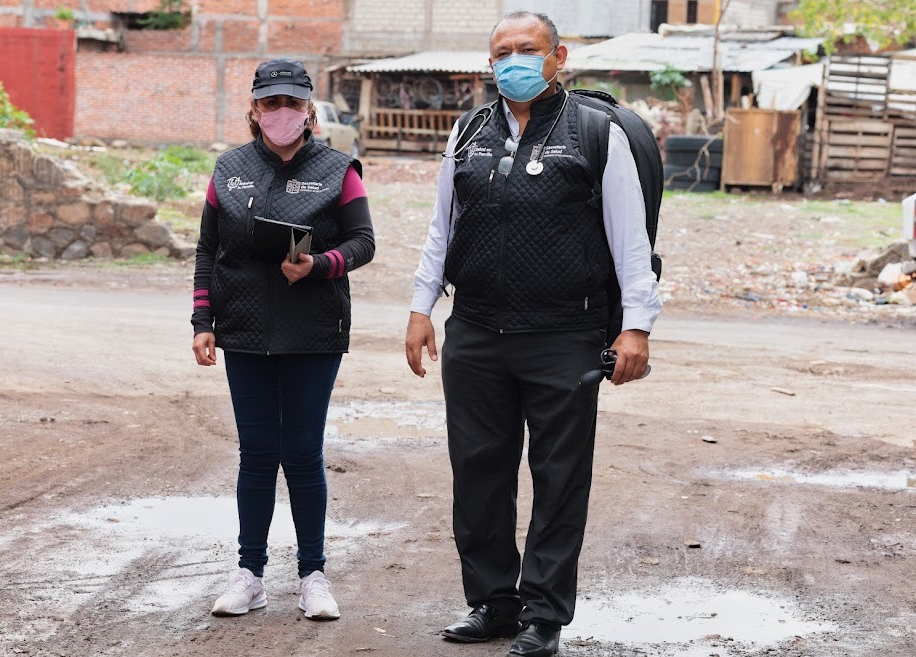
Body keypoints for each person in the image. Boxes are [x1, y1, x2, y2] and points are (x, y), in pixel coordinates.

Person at [404, 11, 661, 657]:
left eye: (527, 49)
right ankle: (493, 603)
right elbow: (442, 225)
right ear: (488, 62)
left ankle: (543, 615)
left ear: (558, 56)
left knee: (559, 477)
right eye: (502, 52)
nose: (513, 60)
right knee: (478, 472)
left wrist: (636, 326)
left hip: (563, 333)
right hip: (475, 331)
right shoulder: (468, 131)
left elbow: (630, 240)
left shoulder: (596, 133)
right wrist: (420, 305)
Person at [192, 58, 375, 621]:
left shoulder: (338, 169)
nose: (281, 112)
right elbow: (207, 249)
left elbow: (363, 242)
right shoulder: (229, 169)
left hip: (313, 333)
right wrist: (202, 320)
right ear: (254, 109)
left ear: (308, 110)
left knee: (301, 454)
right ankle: (249, 575)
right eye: (271, 103)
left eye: (292, 103)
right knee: (255, 454)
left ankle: (312, 576)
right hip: (243, 331)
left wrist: (320, 265)